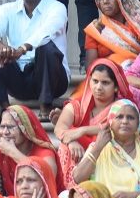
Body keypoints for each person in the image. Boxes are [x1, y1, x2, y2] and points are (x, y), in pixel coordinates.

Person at [0, 0, 70, 121]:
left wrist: (22, 49)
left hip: (53, 80)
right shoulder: (7, 9)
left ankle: (45, 107)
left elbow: (48, 31)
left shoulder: (56, 8)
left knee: (46, 46)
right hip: (19, 80)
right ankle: (3, 108)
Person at [55, 59, 132, 189]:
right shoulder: (79, 105)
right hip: (80, 158)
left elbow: (114, 129)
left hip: (108, 157)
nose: (98, 87)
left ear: (116, 87)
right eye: (95, 81)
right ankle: (69, 189)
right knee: (64, 146)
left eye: (105, 83)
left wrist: (83, 130)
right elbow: (60, 128)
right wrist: (71, 141)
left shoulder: (123, 107)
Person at [71, 99, 140, 198]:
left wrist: (132, 196)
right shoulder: (97, 147)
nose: (125, 121)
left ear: (137, 125)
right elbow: (77, 179)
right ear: (110, 122)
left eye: (130, 118)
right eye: (119, 117)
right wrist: (98, 148)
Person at [0, 105, 60, 196]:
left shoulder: (45, 152)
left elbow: (48, 176)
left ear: (25, 130)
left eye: (10, 127)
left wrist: (13, 152)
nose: (5, 132)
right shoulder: (1, 151)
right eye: (2, 127)